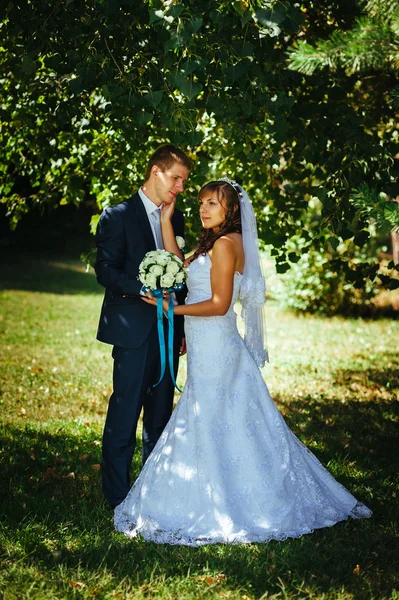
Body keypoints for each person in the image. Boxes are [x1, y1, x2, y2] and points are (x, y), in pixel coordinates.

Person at [114, 178, 371, 545]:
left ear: (230, 210)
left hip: (216, 343)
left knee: (218, 416)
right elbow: (178, 267)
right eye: (201, 201)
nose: (203, 208)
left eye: (213, 204)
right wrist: (167, 222)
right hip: (207, 344)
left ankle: (232, 498)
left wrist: (172, 308)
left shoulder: (223, 245)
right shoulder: (220, 242)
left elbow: (219, 305)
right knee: (220, 417)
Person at [95, 144, 191, 509]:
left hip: (168, 332)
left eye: (184, 180)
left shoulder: (176, 219)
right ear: (156, 171)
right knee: (125, 409)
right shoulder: (117, 215)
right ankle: (117, 495)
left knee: (161, 414)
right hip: (132, 330)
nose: (181, 187)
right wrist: (143, 289)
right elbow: (105, 270)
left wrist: (180, 331)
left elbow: (179, 279)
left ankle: (154, 492)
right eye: (176, 178)